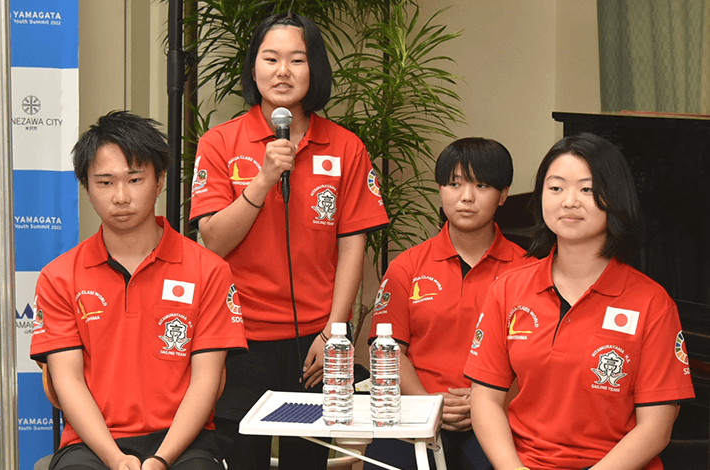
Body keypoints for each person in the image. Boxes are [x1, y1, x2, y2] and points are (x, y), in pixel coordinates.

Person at [189, 13, 389, 470]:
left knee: (308, 462)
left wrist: (335, 333)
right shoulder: (220, 142)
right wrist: (262, 178)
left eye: (297, 60)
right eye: (271, 58)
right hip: (239, 338)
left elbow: (352, 248)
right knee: (244, 461)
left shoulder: (345, 148)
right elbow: (213, 241)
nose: (283, 71)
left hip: (315, 342)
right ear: (253, 68)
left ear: (314, 68)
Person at [30, 111, 247, 470]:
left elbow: (208, 380)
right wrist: (115, 459)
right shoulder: (59, 276)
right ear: (85, 187)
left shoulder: (208, 271)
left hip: (184, 441)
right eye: (104, 182)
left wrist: (163, 458)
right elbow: (66, 380)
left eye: (134, 180)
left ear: (159, 180)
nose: (120, 196)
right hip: (92, 442)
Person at [464, 132, 695, 470]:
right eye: (555, 188)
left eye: (587, 189)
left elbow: (656, 428)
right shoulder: (508, 289)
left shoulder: (651, 303)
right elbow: (485, 400)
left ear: (614, 196)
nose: (569, 201)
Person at [363, 138, 530, 470]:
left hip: (498, 413)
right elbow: (389, 349)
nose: (466, 197)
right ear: (441, 190)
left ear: (503, 194)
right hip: (415, 409)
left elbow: (536, 360)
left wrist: (489, 402)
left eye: (481, 185)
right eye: (455, 184)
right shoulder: (406, 266)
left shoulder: (527, 271)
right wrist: (427, 405)